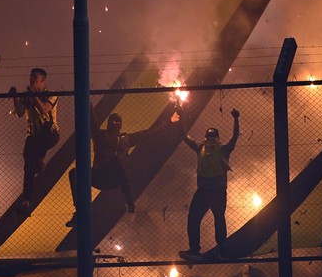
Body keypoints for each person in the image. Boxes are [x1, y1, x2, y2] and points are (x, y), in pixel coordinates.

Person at [66, 106, 179, 227]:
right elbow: (92, 121)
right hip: (98, 175)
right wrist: (87, 102)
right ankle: (80, 212)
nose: (114, 123)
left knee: (117, 161)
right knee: (74, 173)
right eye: (112, 121)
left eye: (117, 122)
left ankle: (130, 202)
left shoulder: (126, 139)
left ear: (120, 125)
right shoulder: (101, 135)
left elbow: (149, 133)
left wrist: (169, 121)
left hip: (115, 177)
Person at [178, 108, 239, 260]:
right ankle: (223, 250)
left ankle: (194, 250)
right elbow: (234, 137)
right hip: (219, 191)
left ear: (206, 137)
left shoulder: (200, 147)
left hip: (203, 191)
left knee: (194, 218)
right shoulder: (223, 149)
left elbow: (184, 136)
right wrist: (236, 118)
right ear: (217, 138)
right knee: (219, 218)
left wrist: (182, 116)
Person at [10, 68, 60, 211]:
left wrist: (33, 96)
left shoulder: (51, 95)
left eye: (35, 77)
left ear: (42, 81)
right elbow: (20, 113)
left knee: (45, 130)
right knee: (28, 167)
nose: (31, 79)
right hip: (33, 136)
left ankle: (40, 159)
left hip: (49, 134)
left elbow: (45, 109)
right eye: (31, 76)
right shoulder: (27, 95)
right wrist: (15, 97)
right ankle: (26, 200)